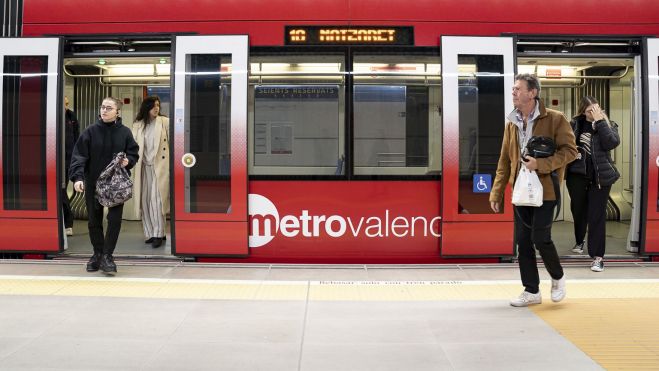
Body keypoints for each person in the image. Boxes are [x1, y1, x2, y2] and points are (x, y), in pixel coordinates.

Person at [489, 74, 577, 307]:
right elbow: (505, 160)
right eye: (513, 89)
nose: (514, 92)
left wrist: (542, 164)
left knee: (541, 238)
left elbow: (570, 151)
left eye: (518, 89)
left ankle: (557, 278)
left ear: (532, 93)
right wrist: (496, 192)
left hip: (546, 190)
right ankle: (531, 291)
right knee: (523, 241)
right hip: (520, 191)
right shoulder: (512, 122)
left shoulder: (555, 119)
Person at [69, 97, 139, 275]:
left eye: (109, 108)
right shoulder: (90, 131)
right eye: (102, 107)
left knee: (114, 221)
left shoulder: (125, 132)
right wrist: (78, 178)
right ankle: (97, 254)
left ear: (118, 112)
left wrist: (128, 161)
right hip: (93, 182)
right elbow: (79, 156)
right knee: (94, 220)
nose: (104, 110)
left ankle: (108, 255)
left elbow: (134, 152)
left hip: (116, 185)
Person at [566, 96, 620, 272]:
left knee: (596, 216)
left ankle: (598, 257)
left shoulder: (608, 124)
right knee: (579, 210)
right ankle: (580, 239)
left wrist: (600, 122)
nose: (594, 112)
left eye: (597, 109)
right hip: (577, 176)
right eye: (590, 110)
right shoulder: (574, 124)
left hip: (600, 178)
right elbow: (564, 144)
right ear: (583, 111)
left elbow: (611, 143)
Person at [124, 96, 170, 248]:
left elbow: (173, 144)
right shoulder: (138, 125)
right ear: (146, 107)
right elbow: (132, 146)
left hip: (160, 167)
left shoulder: (164, 122)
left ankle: (159, 233)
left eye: (158, 105)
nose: (156, 108)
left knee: (156, 201)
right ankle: (150, 233)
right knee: (144, 201)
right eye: (153, 106)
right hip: (142, 167)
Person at [63, 96, 79, 237]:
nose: (66, 107)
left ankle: (67, 223)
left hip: (67, 161)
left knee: (62, 190)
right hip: (54, 161)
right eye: (64, 104)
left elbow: (76, 138)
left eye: (67, 104)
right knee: (60, 191)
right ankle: (67, 222)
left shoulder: (71, 117)